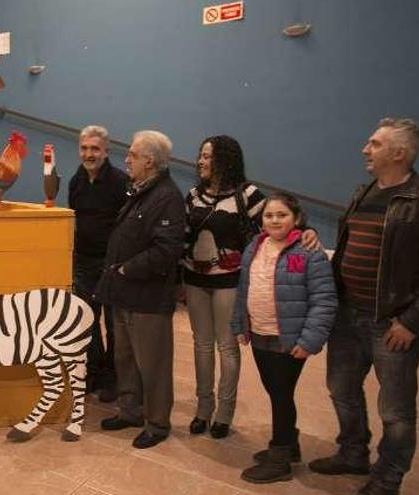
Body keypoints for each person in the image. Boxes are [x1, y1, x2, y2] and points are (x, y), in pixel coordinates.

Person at [309, 118, 419, 495]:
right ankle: (352, 453)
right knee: (340, 389)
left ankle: (388, 476)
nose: (366, 149)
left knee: (395, 409)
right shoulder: (363, 192)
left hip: (391, 323)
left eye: (374, 144)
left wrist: (412, 322)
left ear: (399, 153)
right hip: (347, 315)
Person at [182, 135, 319, 439]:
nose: (201, 161)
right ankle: (203, 408)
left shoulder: (248, 195)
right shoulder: (192, 195)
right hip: (194, 280)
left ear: (225, 159)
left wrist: (307, 233)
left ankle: (223, 414)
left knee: (227, 347)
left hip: (230, 282)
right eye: (201, 155)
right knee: (201, 345)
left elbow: (279, 221)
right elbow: (184, 234)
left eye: (208, 156)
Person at [231, 192, 337, 483]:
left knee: (280, 395)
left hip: (289, 338)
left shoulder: (308, 251)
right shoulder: (256, 245)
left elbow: (324, 300)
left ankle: (279, 459)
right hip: (261, 332)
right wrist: (240, 323)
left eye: (282, 215)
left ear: (297, 219)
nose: (275, 220)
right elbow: (244, 288)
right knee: (277, 391)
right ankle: (290, 445)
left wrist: (309, 341)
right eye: (269, 215)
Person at [94, 130, 185, 449]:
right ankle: (130, 410)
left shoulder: (167, 197)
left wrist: (126, 268)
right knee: (126, 358)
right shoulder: (141, 191)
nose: (127, 159)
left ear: (149, 160)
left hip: (148, 297)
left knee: (153, 364)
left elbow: (167, 249)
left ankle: (157, 423)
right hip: (124, 294)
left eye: (132, 154)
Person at [69, 125, 129, 402]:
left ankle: (113, 377)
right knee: (86, 322)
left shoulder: (120, 182)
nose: (88, 154)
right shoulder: (75, 181)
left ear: (106, 152)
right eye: (84, 148)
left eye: (95, 148)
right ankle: (93, 373)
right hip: (83, 263)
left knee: (114, 324)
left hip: (112, 265)